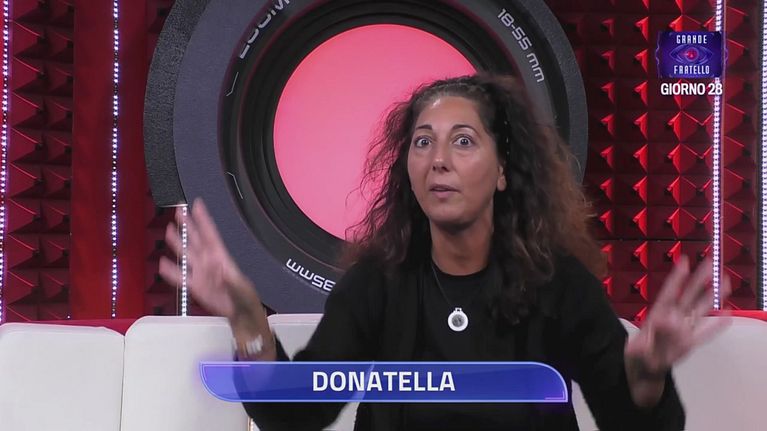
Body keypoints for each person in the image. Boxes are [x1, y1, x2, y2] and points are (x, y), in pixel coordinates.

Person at [160, 74, 732, 430]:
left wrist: (648, 373)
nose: (439, 160)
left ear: (503, 170)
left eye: (463, 141)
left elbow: (631, 422)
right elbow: (297, 413)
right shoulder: (377, 283)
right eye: (423, 142)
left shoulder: (559, 286)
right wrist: (247, 318)